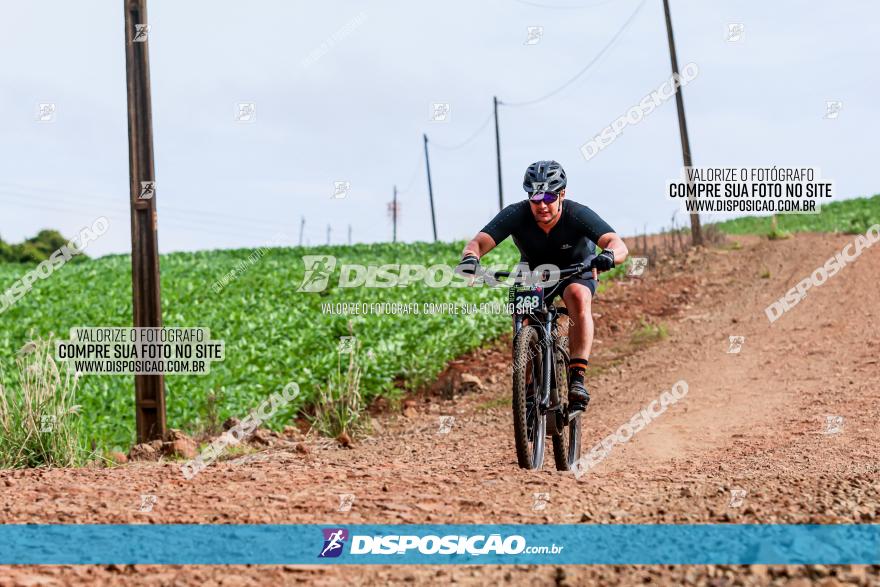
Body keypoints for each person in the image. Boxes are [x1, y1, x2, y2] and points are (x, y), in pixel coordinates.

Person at [456, 160, 628, 414]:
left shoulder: (577, 213)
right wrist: (470, 258)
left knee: (578, 296)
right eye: (536, 197)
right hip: (535, 272)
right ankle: (525, 389)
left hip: (576, 268)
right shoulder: (516, 214)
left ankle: (577, 378)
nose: (542, 205)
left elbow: (617, 242)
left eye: (548, 196)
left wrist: (609, 255)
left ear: (562, 195)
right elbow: (477, 243)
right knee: (523, 319)